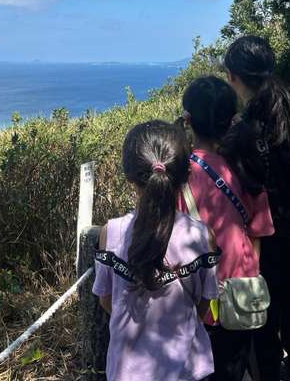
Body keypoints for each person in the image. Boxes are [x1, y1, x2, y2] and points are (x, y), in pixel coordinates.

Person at [219, 35, 290, 381]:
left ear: (232, 76)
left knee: (264, 320)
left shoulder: (241, 132)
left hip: (263, 239)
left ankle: (272, 373)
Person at [93, 120, 219, 381]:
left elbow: (106, 301)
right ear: (186, 174)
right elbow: (204, 305)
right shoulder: (202, 236)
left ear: (129, 176)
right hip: (187, 370)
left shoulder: (111, 232)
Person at [177, 76, 275, 381]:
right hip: (239, 295)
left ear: (187, 120)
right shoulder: (246, 167)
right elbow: (259, 230)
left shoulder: (178, 175)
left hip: (193, 301)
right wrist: (247, 274)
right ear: (232, 120)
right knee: (232, 369)